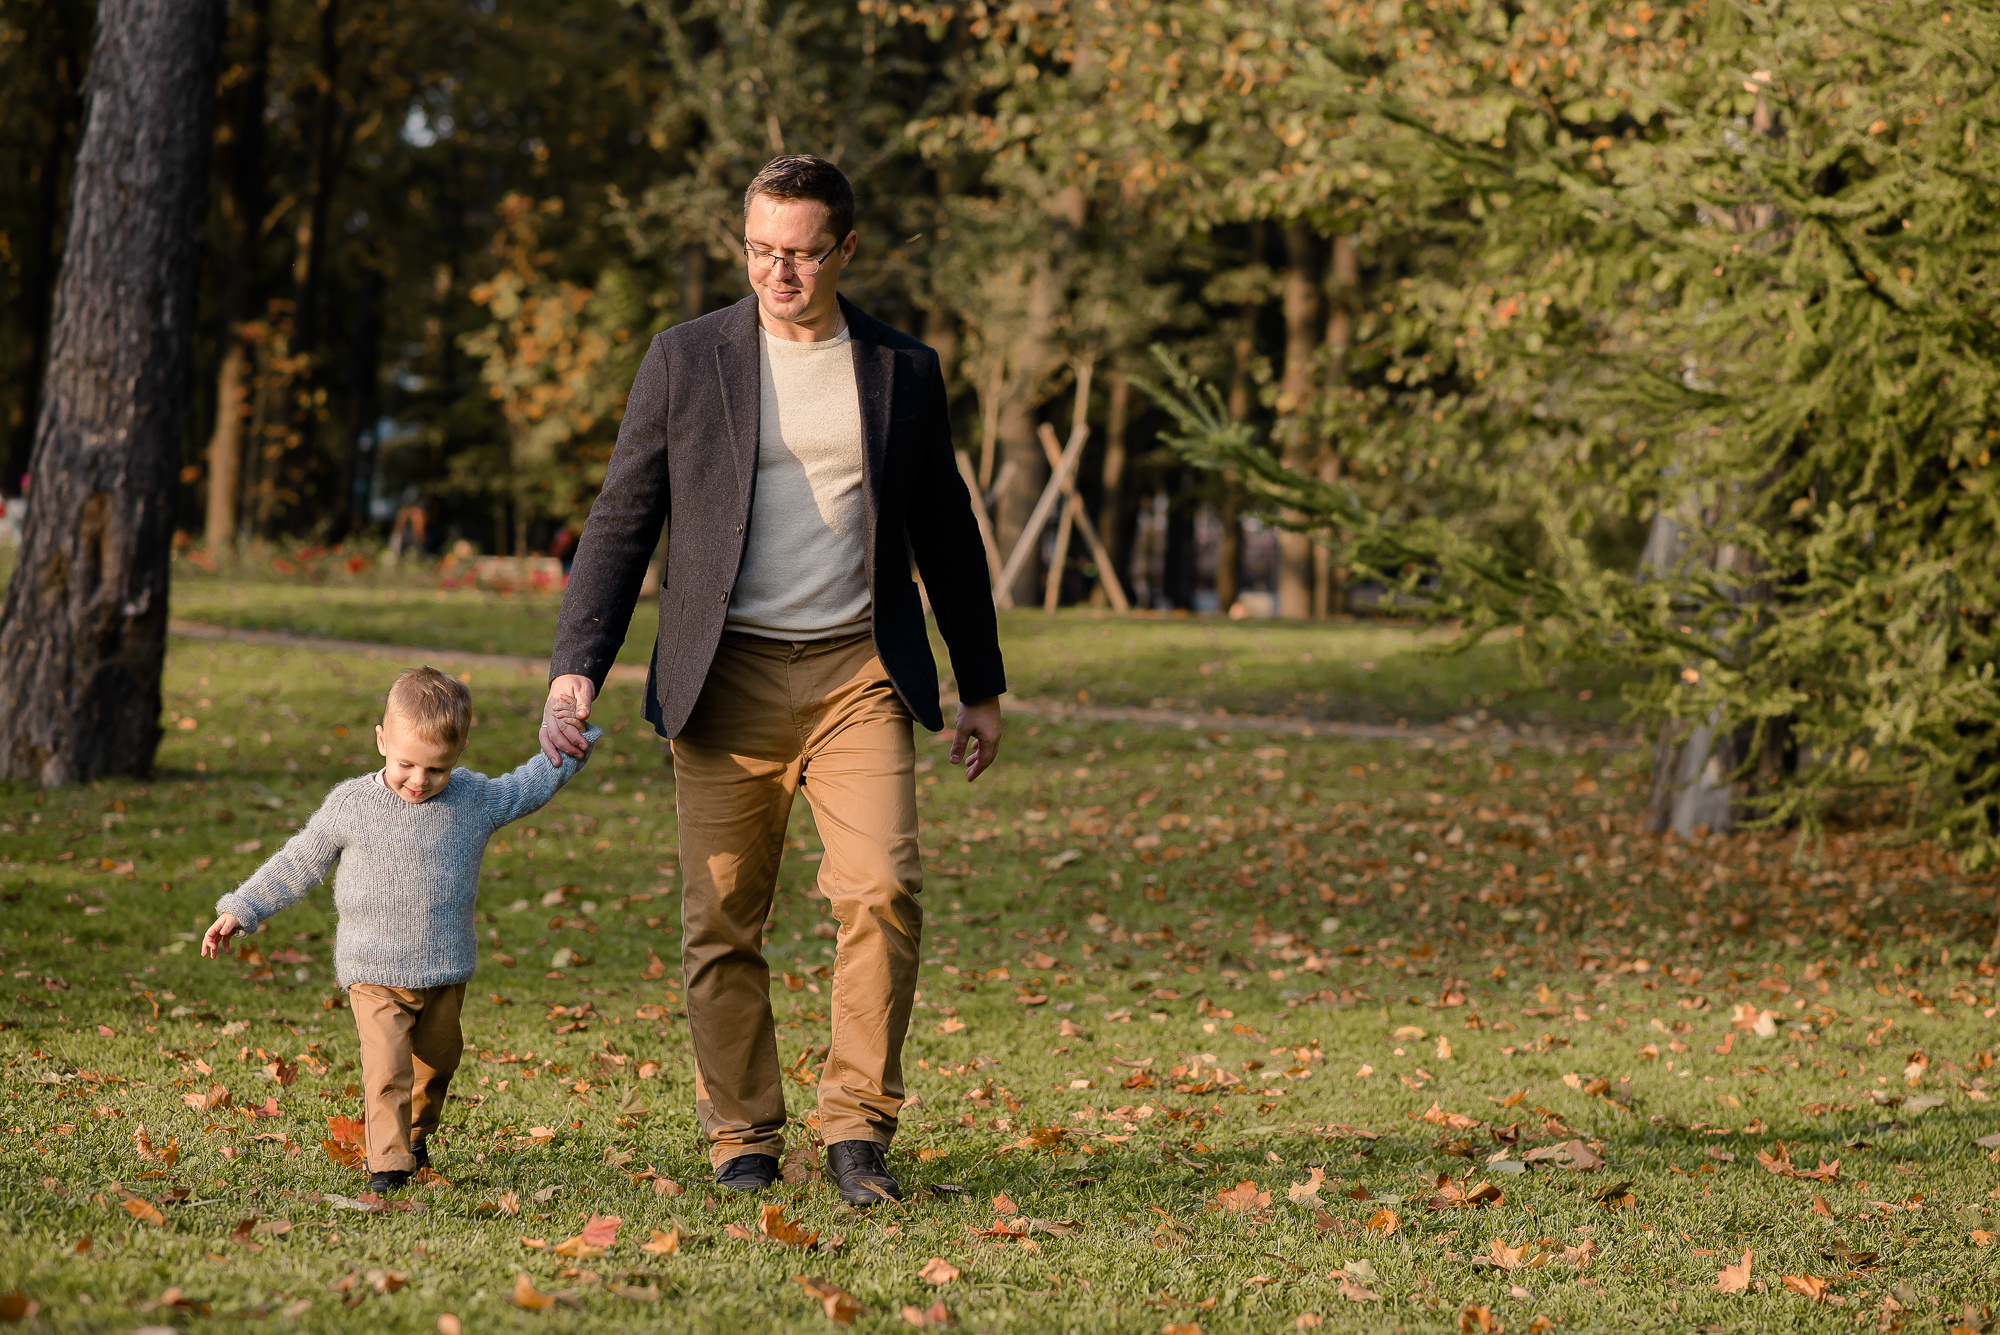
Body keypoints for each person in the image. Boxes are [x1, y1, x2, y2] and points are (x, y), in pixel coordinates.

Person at [538, 154, 1005, 1207]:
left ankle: (856, 1132)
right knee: (722, 919)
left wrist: (978, 683)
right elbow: (622, 517)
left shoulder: (901, 370)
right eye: (758, 249)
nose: (776, 272)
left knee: (881, 891)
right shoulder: (684, 358)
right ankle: (742, 1137)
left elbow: (946, 533)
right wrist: (576, 669)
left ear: (844, 250)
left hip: (858, 676)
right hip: (723, 677)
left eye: (798, 253)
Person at [200, 666, 598, 1193]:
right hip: (374, 970)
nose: (418, 780)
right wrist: (242, 907)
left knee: (436, 1064)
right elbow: (300, 861)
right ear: (382, 740)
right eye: (406, 763)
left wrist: (568, 750)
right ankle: (386, 1164)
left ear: (459, 754)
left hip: (444, 969)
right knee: (387, 1068)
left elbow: (526, 787)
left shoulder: (473, 799)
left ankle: (413, 1136)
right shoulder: (353, 805)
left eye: (435, 769)